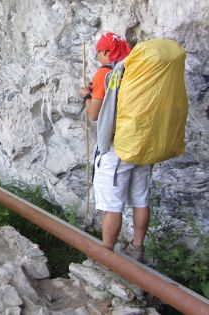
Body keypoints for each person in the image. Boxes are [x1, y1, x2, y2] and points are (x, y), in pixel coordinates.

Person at [80, 32, 149, 261]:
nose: (97, 57)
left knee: (113, 204)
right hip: (141, 144)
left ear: (108, 52)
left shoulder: (105, 74)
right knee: (140, 198)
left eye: (98, 53)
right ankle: (137, 248)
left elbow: (94, 114)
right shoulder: (138, 70)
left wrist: (86, 96)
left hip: (118, 147)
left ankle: (106, 254)